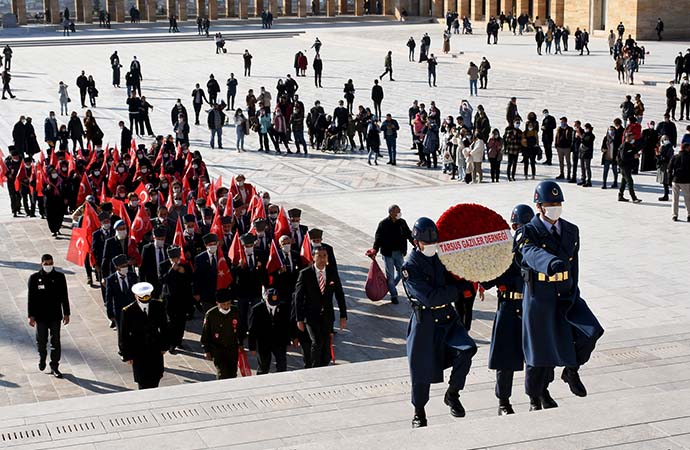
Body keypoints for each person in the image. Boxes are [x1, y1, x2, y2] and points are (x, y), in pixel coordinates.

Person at [518, 181, 604, 411]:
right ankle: (536, 397)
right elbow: (529, 253)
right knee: (539, 353)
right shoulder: (527, 231)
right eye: (550, 203)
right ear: (539, 206)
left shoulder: (571, 230)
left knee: (592, 331)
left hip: (566, 294)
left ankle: (571, 369)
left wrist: (574, 290)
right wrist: (550, 263)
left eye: (558, 203)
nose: (555, 207)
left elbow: (574, 266)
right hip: (540, 298)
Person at [402, 217, 477, 428]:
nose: (432, 246)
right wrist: (458, 290)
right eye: (428, 242)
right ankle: (419, 412)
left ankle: (453, 393)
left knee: (467, 349)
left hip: (447, 318)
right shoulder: (410, 267)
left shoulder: (440, 258)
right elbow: (430, 297)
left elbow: (454, 276)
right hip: (425, 322)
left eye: (434, 242)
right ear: (417, 243)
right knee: (421, 372)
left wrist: (470, 278)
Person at [482, 204, 534, 415]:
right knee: (505, 358)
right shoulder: (504, 251)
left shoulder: (538, 249)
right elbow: (487, 278)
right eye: (517, 225)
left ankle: (536, 396)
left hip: (530, 307)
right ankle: (503, 401)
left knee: (536, 356)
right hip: (508, 307)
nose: (519, 229)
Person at [294, 246, 347, 368]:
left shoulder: (332, 272)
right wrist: (299, 319)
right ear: (313, 257)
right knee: (317, 342)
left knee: (326, 345)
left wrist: (343, 316)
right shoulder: (305, 274)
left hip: (327, 315)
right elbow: (298, 298)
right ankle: (314, 367)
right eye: (319, 256)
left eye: (324, 256)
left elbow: (339, 294)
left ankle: (323, 365)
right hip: (311, 316)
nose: (322, 259)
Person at [119, 282, 169, 389]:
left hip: (155, 349)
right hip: (138, 351)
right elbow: (124, 335)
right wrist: (126, 354)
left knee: (156, 377)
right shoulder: (128, 311)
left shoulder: (158, 305)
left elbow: (164, 327)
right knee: (142, 381)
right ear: (136, 296)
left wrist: (165, 346)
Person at [27, 254, 70, 379]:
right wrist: (31, 316)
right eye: (46, 264)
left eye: (50, 263)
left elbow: (64, 296)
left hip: (55, 315)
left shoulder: (60, 277)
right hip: (40, 316)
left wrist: (66, 313)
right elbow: (31, 298)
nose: (48, 266)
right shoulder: (34, 278)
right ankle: (42, 357)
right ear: (41, 263)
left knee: (55, 341)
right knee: (41, 340)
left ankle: (54, 365)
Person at [372, 204, 413, 305]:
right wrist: (374, 250)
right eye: (397, 211)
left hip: (399, 253)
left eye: (400, 211)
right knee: (390, 276)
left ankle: (389, 288)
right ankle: (394, 295)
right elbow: (378, 238)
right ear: (391, 213)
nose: (399, 213)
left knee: (401, 273)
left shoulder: (402, 222)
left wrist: (415, 243)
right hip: (388, 254)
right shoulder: (383, 224)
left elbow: (408, 234)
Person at [248, 288, 291, 374]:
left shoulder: (283, 307)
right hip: (263, 342)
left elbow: (286, 326)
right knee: (263, 367)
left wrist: (287, 342)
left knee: (282, 365)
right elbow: (252, 330)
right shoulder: (257, 309)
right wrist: (252, 347)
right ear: (266, 299)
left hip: (279, 341)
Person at [201, 289, 241, 379]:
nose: (226, 306)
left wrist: (241, 343)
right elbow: (205, 333)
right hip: (217, 349)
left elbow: (240, 329)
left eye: (228, 303)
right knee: (222, 373)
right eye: (223, 304)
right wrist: (206, 350)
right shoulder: (211, 314)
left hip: (232, 348)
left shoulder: (235, 311)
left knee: (232, 373)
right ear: (217, 303)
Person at [668, 138, 690, 221]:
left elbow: (669, 169)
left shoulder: (675, 157)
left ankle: (674, 215)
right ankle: (689, 214)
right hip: (686, 180)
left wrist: (670, 180)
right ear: (687, 148)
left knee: (675, 199)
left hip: (676, 180)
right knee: (687, 198)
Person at [618, 133, 643, 203]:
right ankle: (633, 197)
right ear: (627, 138)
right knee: (630, 181)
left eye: (633, 138)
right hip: (624, 166)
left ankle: (620, 195)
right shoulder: (624, 145)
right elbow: (623, 157)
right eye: (631, 138)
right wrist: (633, 156)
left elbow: (633, 152)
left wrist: (637, 154)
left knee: (624, 181)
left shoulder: (631, 145)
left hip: (628, 166)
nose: (633, 139)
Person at [657, 135, 674, 201]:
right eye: (664, 139)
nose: (665, 140)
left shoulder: (668, 147)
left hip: (666, 165)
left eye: (666, 138)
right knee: (665, 181)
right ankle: (666, 195)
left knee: (666, 181)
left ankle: (666, 195)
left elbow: (667, 157)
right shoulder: (663, 146)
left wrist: (659, 156)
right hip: (663, 165)